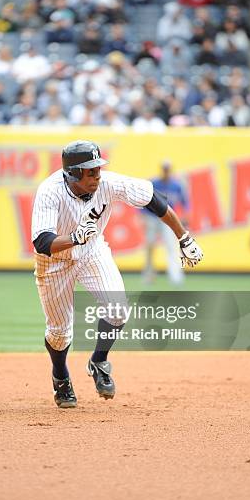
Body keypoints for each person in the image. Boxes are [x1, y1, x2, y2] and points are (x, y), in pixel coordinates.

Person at [31, 140, 203, 408]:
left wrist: (183, 236)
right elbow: (42, 242)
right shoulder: (50, 192)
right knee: (59, 332)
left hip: (92, 252)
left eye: (98, 169)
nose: (97, 176)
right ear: (73, 173)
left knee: (118, 309)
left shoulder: (107, 183)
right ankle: (61, 376)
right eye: (90, 171)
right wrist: (74, 237)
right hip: (53, 262)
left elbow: (153, 199)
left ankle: (99, 361)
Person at [142, 160, 189, 285]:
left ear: (170, 170)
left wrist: (185, 216)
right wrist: (142, 217)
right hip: (152, 217)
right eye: (164, 169)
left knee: (171, 246)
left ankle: (175, 277)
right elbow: (142, 200)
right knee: (150, 247)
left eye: (167, 169)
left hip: (166, 219)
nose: (166, 172)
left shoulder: (176, 185)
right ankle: (149, 276)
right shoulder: (153, 183)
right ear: (161, 170)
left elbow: (185, 203)